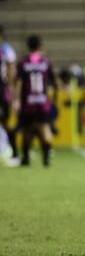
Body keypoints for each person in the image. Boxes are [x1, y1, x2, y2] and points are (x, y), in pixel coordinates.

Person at [13, 35, 57, 167]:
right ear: (40, 46)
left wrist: (16, 100)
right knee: (45, 128)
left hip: (28, 102)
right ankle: (46, 157)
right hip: (43, 102)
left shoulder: (24, 62)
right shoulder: (45, 62)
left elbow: (19, 83)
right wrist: (54, 98)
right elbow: (54, 82)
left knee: (27, 130)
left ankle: (26, 158)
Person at [0, 26, 18, 161]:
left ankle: (13, 152)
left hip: (2, 89)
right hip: (3, 89)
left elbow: (12, 70)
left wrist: (11, 87)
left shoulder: (6, 49)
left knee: (5, 121)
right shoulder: (7, 49)